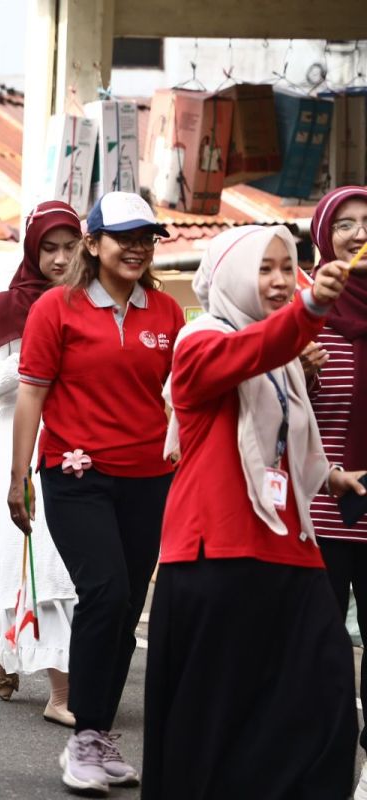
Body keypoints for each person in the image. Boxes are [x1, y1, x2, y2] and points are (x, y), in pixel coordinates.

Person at [143, 225, 362, 799]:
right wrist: (309, 308)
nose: (278, 281)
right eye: (264, 268)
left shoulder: (284, 358)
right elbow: (244, 355)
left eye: (287, 269)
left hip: (291, 548)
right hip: (217, 553)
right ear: (233, 274)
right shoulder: (200, 340)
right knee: (219, 725)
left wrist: (333, 478)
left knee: (328, 699)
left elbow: (285, 445)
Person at [10, 191, 183, 793]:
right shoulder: (55, 309)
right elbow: (30, 394)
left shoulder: (166, 312)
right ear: (94, 243)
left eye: (147, 238)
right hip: (75, 475)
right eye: (124, 237)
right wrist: (18, 478)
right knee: (104, 593)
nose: (137, 247)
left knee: (128, 605)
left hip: (149, 480)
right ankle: (83, 737)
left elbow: (178, 399)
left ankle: (100, 733)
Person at [0, 201, 80, 727]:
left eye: (70, 247)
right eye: (49, 249)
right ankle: (61, 691)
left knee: (51, 567)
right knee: (35, 563)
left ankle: (7, 649)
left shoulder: (91, 302)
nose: (60, 259)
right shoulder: (6, 307)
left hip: (77, 445)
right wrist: (37, 358)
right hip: (18, 449)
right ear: (32, 251)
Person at [307, 185, 367, 799]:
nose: (356, 233)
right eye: (344, 223)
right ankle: (318, 762)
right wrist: (296, 362)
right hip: (318, 509)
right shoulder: (308, 309)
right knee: (319, 647)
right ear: (325, 235)